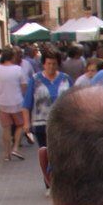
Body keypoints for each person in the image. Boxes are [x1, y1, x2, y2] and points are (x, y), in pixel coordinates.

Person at [27, 51, 73, 188]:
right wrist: (26, 122)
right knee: (47, 154)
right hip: (41, 123)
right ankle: (49, 183)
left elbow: (74, 99)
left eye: (54, 63)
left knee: (61, 153)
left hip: (63, 123)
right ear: (43, 64)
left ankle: (60, 181)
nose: (51, 66)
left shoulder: (66, 79)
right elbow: (27, 102)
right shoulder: (35, 80)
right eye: (48, 63)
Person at [0, 47, 31, 159]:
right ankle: (15, 148)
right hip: (17, 102)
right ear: (13, 57)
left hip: (2, 102)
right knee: (20, 125)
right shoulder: (18, 69)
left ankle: (6, 154)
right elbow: (24, 86)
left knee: (6, 128)